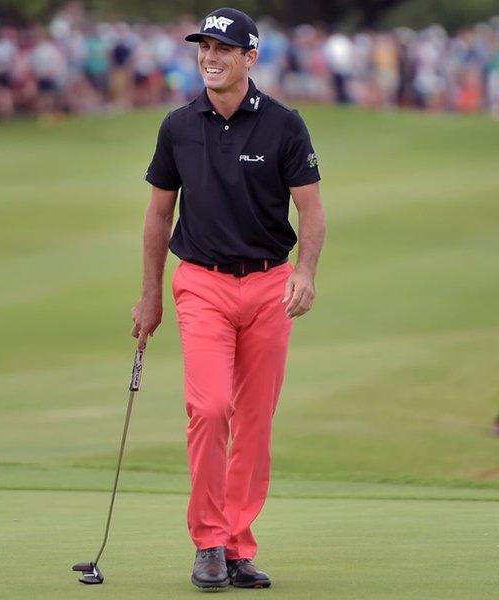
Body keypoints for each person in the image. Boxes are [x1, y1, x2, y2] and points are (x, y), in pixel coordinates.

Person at [130, 7, 326, 591]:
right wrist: (149, 297)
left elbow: (310, 210)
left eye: (223, 49)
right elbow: (158, 214)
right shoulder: (178, 125)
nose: (210, 58)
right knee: (211, 408)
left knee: (256, 423)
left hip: (269, 285)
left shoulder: (284, 125)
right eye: (203, 48)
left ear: (249, 57)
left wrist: (306, 273)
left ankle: (238, 546)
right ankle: (208, 542)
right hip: (202, 282)